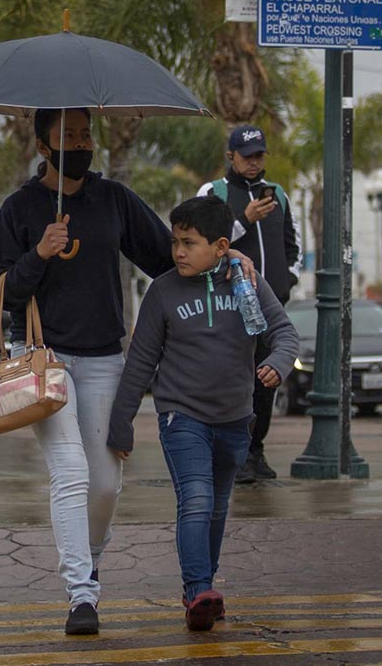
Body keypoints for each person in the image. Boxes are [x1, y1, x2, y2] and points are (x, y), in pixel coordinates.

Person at [0, 108, 259, 635]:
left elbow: (170, 258)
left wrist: (229, 260)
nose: (82, 143)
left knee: (107, 485)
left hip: (104, 357)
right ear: (43, 146)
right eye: (69, 136)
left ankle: (88, 562)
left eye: (86, 134)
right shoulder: (19, 209)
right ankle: (81, 595)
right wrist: (39, 254)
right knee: (71, 473)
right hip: (44, 359)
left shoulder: (114, 199)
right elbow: (1, 292)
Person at [107, 196, 299, 631]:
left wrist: (278, 364)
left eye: (189, 243)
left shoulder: (248, 283)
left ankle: (204, 592)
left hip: (235, 419)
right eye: (175, 242)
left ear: (220, 246)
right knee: (196, 498)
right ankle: (197, 589)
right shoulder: (163, 292)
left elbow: (285, 334)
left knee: (216, 507)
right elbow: (140, 363)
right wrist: (122, 424)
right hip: (182, 416)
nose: (178, 252)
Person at [197, 125, 302, 483]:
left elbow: (294, 245)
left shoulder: (278, 196)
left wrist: (288, 280)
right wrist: (245, 220)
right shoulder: (214, 192)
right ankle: (234, 454)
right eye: (247, 156)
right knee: (236, 382)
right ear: (231, 156)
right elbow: (204, 243)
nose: (254, 162)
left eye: (259, 155)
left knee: (265, 381)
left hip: (270, 309)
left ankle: (256, 450)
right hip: (229, 307)